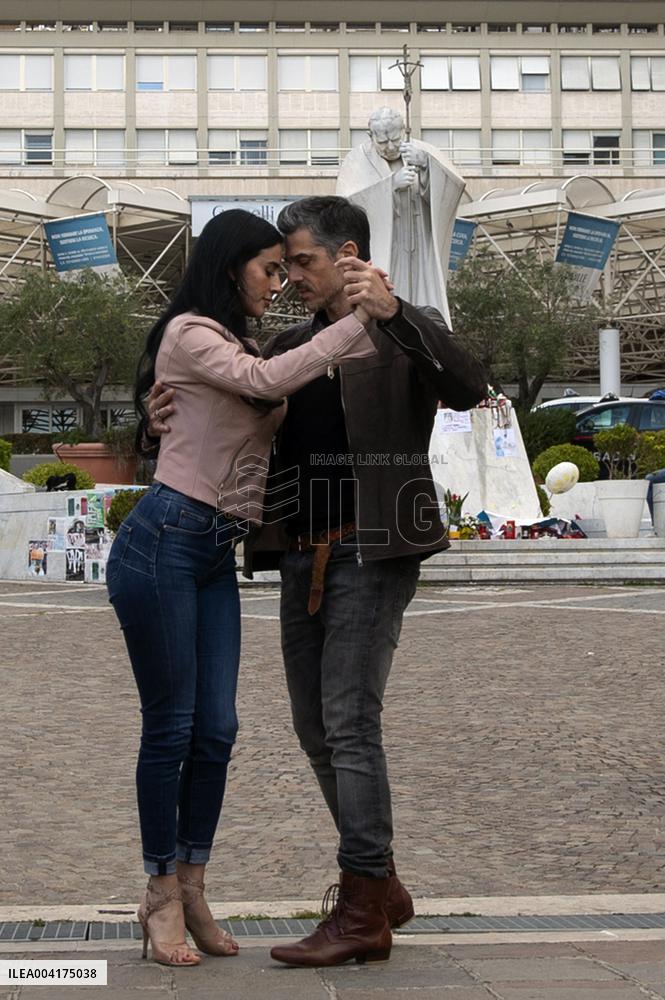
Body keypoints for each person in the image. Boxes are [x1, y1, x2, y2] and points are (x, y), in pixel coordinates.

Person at [145, 196, 486, 968]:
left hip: (374, 545)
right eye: (284, 264)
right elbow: (218, 419)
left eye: (301, 260)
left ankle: (364, 903)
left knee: (348, 723)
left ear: (347, 254)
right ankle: (383, 882)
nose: (291, 275)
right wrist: (153, 414)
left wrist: (395, 312)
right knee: (313, 728)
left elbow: (469, 386)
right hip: (299, 552)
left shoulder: (405, 325)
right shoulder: (294, 345)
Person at [107, 208, 377, 968]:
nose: (280, 282)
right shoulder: (191, 331)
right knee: (172, 727)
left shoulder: (232, 343)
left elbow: (243, 400)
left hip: (209, 551)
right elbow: (261, 384)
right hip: (162, 539)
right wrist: (357, 318)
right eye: (268, 268)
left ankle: (193, 883)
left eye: (287, 267)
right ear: (231, 267)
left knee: (217, 731)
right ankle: (160, 892)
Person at [336, 106, 464, 325]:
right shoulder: (356, 160)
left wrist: (426, 166)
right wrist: (391, 186)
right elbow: (345, 205)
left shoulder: (423, 151)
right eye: (383, 142)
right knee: (390, 287)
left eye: (395, 139)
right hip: (386, 245)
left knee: (424, 296)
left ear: (404, 130)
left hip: (421, 244)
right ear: (370, 136)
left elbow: (453, 189)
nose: (390, 147)